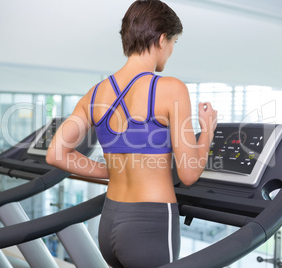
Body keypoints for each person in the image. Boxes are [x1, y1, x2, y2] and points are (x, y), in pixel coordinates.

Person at [46, 0, 218, 267]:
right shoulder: (171, 89)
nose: (171, 51)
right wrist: (206, 131)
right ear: (162, 39)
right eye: (174, 43)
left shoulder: (96, 93)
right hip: (150, 227)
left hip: (110, 221)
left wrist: (108, 170)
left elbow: (56, 154)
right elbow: (189, 173)